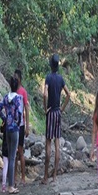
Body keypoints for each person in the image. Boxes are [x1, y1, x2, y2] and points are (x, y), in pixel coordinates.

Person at [42, 54, 71, 185]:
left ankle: (45, 176)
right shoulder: (60, 79)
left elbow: (44, 94)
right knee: (57, 144)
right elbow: (68, 94)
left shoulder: (48, 78)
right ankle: (54, 176)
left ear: (50, 65)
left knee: (48, 143)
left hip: (50, 113)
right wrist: (62, 108)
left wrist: (45, 108)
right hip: (57, 113)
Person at [0, 76, 23, 194]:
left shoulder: (6, 97)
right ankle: (11, 185)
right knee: (12, 157)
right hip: (15, 129)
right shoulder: (18, 99)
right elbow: (19, 113)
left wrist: (5, 118)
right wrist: (17, 122)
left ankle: (8, 184)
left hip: (7, 128)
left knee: (9, 157)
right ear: (17, 86)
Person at [15, 69, 31, 186]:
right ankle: (14, 176)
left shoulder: (23, 92)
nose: (14, 79)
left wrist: (27, 127)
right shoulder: (13, 91)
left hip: (20, 125)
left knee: (20, 152)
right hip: (13, 126)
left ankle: (23, 177)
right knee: (14, 152)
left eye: (16, 77)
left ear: (19, 79)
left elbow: (26, 109)